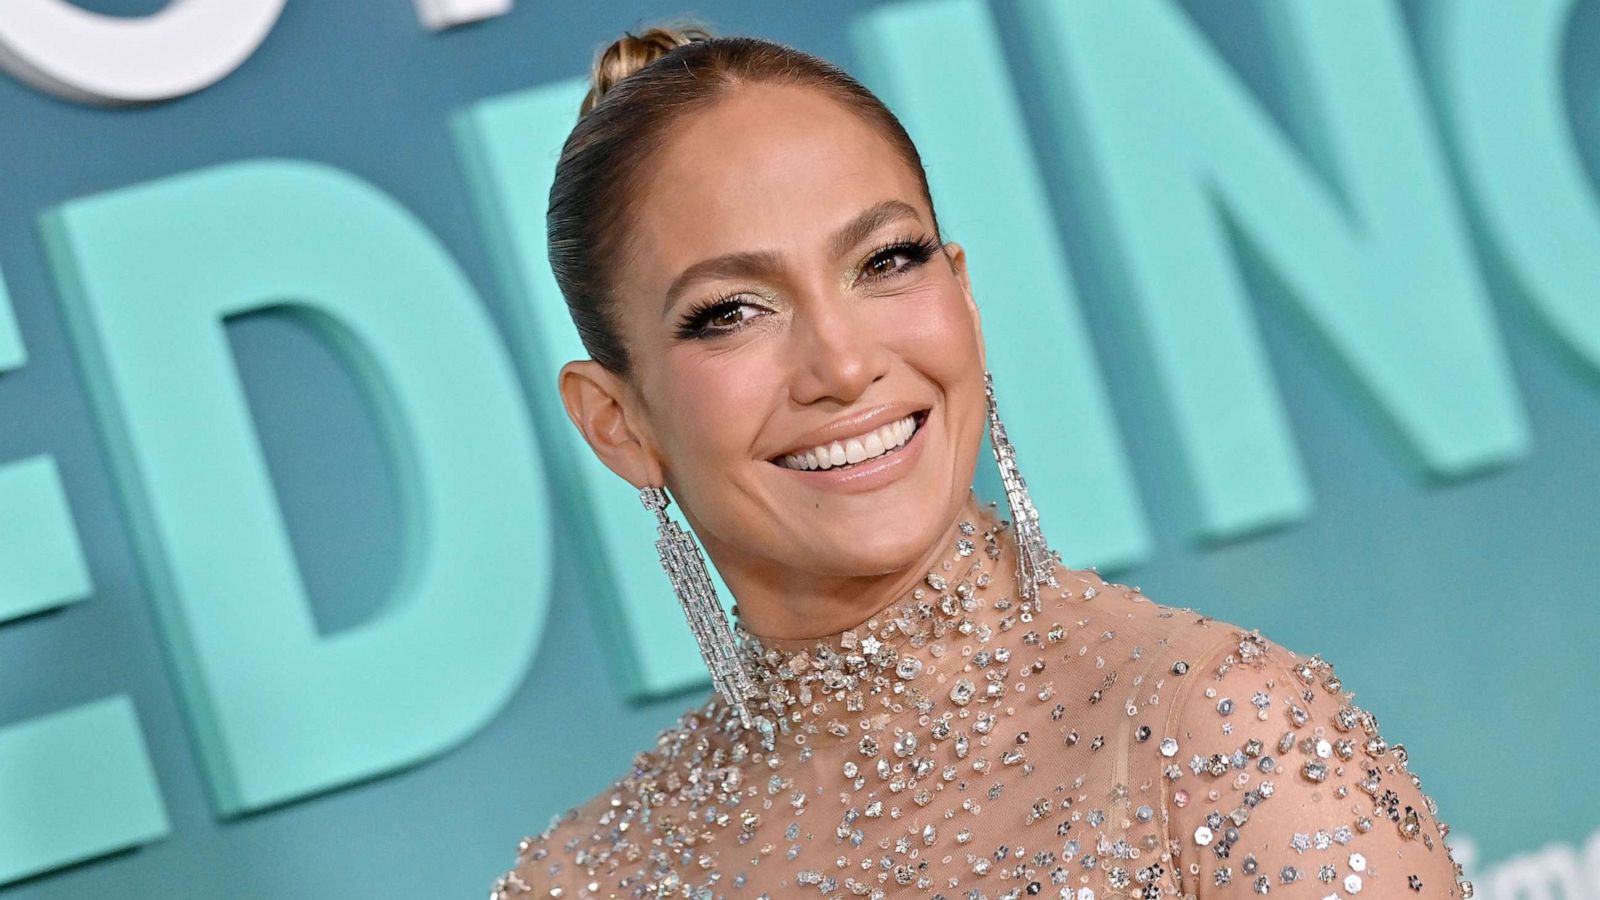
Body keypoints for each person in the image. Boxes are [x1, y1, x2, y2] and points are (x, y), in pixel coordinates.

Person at [490, 22, 1473, 900]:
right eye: (731, 313)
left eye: (885, 261)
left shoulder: (1228, 740)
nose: (841, 363)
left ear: (960, 297)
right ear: (618, 422)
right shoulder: (579, 883)